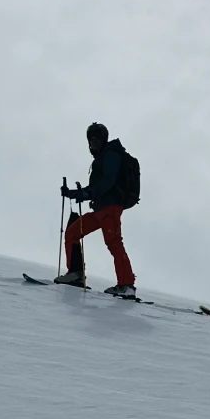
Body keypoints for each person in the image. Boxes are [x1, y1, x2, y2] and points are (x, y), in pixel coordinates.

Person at [55, 122, 137, 298]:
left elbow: (106, 183)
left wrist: (84, 193)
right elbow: (97, 187)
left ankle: (126, 284)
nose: (92, 144)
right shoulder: (103, 158)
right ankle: (75, 274)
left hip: (110, 208)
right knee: (72, 233)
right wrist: (75, 193)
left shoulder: (111, 155)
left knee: (114, 243)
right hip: (100, 209)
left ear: (102, 139)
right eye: (90, 140)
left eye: (95, 139)